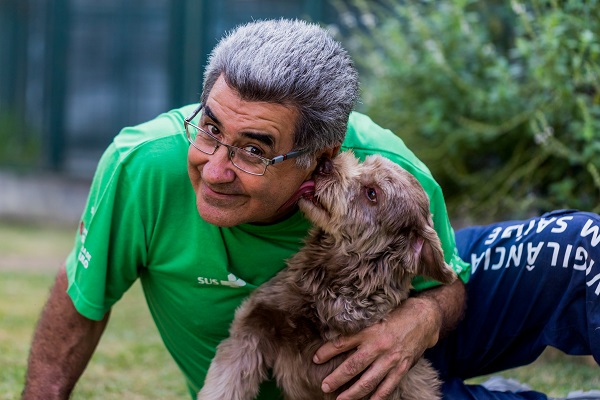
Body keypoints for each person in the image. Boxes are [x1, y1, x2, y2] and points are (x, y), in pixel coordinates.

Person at [22, 19, 598, 400]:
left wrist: (415, 323)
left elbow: (450, 276)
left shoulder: (388, 171)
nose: (215, 168)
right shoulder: (142, 164)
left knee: (583, 248)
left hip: (398, 316)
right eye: (210, 128)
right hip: (316, 378)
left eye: (254, 150)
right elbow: (79, 304)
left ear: (323, 156)